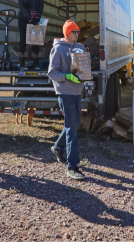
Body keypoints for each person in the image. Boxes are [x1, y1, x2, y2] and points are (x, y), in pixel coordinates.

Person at [48, 20, 87, 180]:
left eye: (78, 31)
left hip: (77, 92)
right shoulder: (57, 49)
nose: (77, 34)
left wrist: (85, 75)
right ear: (67, 33)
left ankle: (57, 148)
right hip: (64, 93)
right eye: (74, 32)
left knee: (74, 124)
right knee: (72, 128)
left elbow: (84, 69)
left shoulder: (81, 48)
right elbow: (52, 73)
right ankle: (72, 167)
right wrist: (67, 76)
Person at [17, 0, 44, 67]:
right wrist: (28, 17)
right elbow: (21, 6)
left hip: (35, 19)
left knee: (35, 41)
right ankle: (22, 63)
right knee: (23, 40)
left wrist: (37, 16)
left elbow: (41, 5)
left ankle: (36, 63)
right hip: (23, 18)